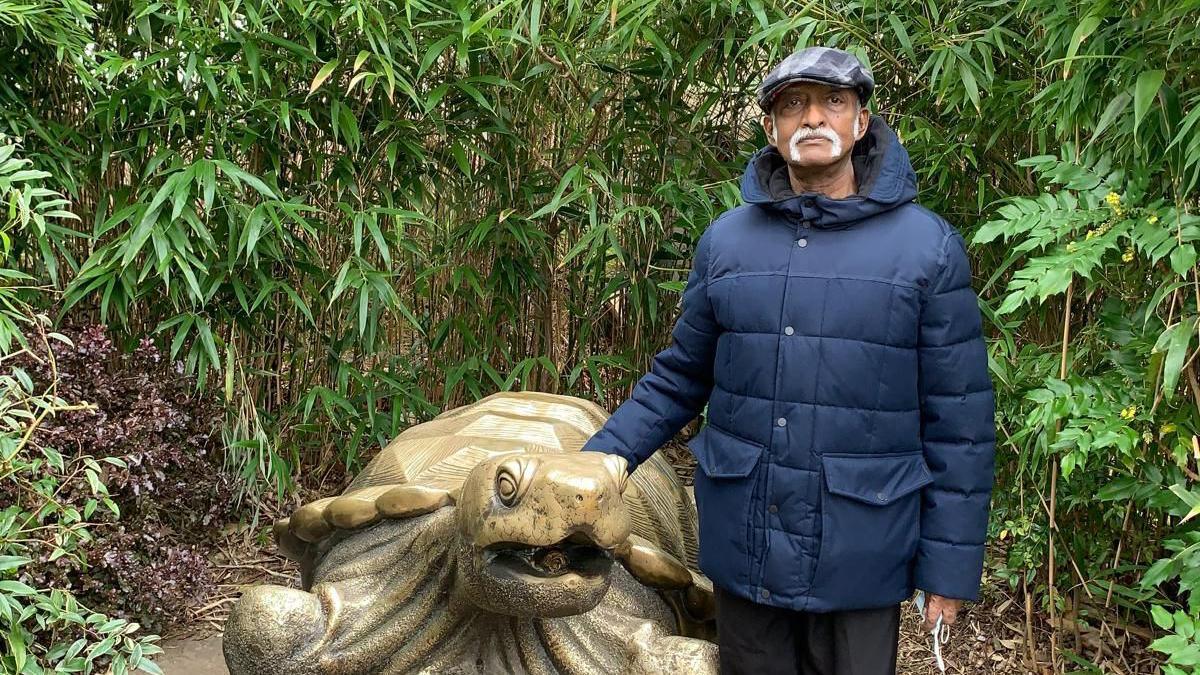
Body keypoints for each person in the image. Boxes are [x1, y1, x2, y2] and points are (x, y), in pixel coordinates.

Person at [581, 46, 996, 674]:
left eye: (834, 102)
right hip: (748, 545)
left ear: (862, 123)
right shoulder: (727, 241)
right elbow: (679, 377)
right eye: (793, 104)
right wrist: (598, 462)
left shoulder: (925, 248)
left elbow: (960, 423)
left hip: (862, 546)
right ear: (771, 129)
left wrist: (949, 569)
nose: (813, 117)